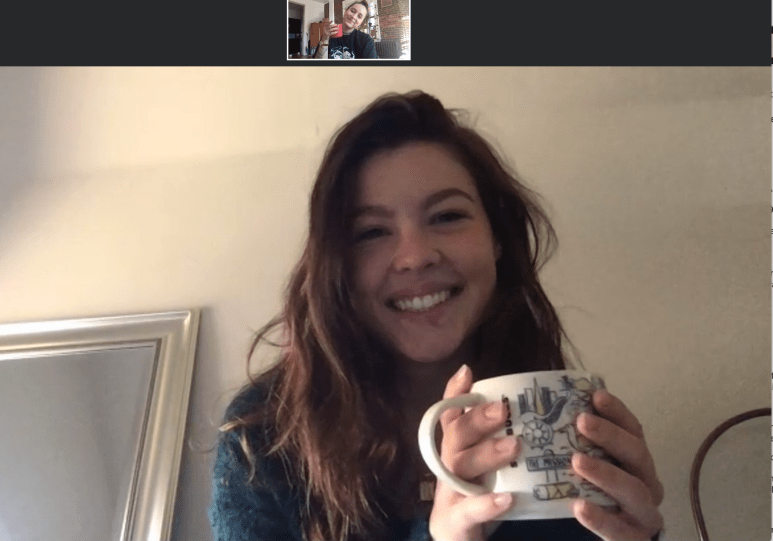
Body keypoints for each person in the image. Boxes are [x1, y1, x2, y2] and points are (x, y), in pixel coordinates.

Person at [209, 91, 664, 541]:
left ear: (497, 238)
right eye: (372, 232)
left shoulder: (554, 418)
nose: (415, 257)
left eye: (447, 216)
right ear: (337, 266)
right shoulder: (263, 438)